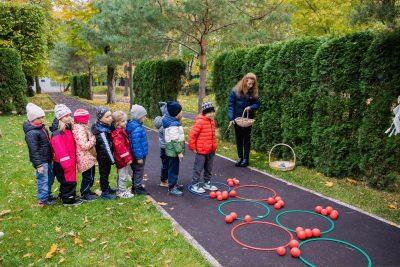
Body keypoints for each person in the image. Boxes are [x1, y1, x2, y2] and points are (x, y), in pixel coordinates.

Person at [23, 103, 55, 206]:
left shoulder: (42, 128)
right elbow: (34, 150)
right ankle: (43, 199)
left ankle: (48, 195)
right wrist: (39, 165)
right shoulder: (31, 133)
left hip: (48, 158)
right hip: (41, 162)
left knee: (50, 178)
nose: (41, 119)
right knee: (43, 180)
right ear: (31, 119)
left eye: (42, 117)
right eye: (38, 118)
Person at [51, 104, 82, 206]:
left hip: (70, 161)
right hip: (64, 163)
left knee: (69, 180)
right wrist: (67, 164)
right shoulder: (58, 132)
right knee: (68, 181)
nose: (68, 117)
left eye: (69, 115)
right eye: (65, 116)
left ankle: (66, 194)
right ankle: (68, 200)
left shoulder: (68, 129)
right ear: (59, 118)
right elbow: (60, 150)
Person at [228, 72, 260, 167]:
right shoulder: (235, 91)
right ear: (244, 82)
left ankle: (246, 159)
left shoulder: (253, 92)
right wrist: (231, 118)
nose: (250, 86)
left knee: (246, 139)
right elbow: (231, 106)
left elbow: (257, 104)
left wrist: (251, 107)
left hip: (247, 120)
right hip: (237, 120)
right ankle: (240, 157)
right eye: (249, 83)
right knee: (239, 138)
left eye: (252, 84)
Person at [189, 102, 218, 193]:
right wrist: (193, 147)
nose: (211, 114)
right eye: (209, 112)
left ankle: (207, 182)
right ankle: (195, 184)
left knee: (209, 168)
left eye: (212, 112)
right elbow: (192, 135)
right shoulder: (200, 122)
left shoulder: (212, 121)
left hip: (211, 150)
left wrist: (214, 145)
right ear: (205, 113)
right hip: (201, 150)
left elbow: (212, 135)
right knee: (198, 168)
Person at [91, 107, 116, 200]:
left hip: (106, 155)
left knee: (107, 172)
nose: (110, 118)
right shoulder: (101, 132)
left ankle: (107, 187)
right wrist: (112, 160)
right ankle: (105, 193)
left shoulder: (105, 126)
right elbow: (106, 147)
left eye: (111, 116)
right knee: (104, 173)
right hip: (104, 156)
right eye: (107, 116)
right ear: (100, 118)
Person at [72, 109, 97, 202]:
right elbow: (83, 145)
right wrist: (92, 140)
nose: (88, 120)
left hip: (87, 157)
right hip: (85, 157)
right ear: (83, 119)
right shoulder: (80, 129)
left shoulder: (80, 127)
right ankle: (84, 193)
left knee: (91, 174)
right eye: (87, 118)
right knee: (88, 176)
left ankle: (88, 190)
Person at [163, 101, 185, 197]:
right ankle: (172, 187)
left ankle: (174, 183)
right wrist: (179, 152)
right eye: (181, 111)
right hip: (174, 152)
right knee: (173, 169)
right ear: (176, 114)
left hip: (172, 151)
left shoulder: (173, 122)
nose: (182, 113)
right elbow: (175, 140)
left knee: (173, 168)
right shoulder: (173, 125)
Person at [126, 104, 149, 195]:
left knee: (137, 170)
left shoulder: (134, 125)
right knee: (139, 170)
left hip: (137, 154)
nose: (145, 117)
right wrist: (139, 157)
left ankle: (135, 186)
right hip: (138, 155)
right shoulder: (137, 129)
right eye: (144, 116)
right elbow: (135, 144)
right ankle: (137, 188)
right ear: (139, 116)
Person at [111, 111, 134, 198]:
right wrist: (127, 158)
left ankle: (120, 189)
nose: (126, 122)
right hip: (122, 159)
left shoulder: (120, 132)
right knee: (123, 175)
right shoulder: (118, 134)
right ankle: (122, 191)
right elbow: (121, 149)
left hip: (121, 159)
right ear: (118, 123)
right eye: (124, 121)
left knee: (122, 174)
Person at [154, 102, 169, 187]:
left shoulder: (164, 122)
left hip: (163, 147)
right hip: (166, 147)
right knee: (166, 165)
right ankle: (163, 181)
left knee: (166, 164)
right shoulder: (165, 124)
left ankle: (166, 179)